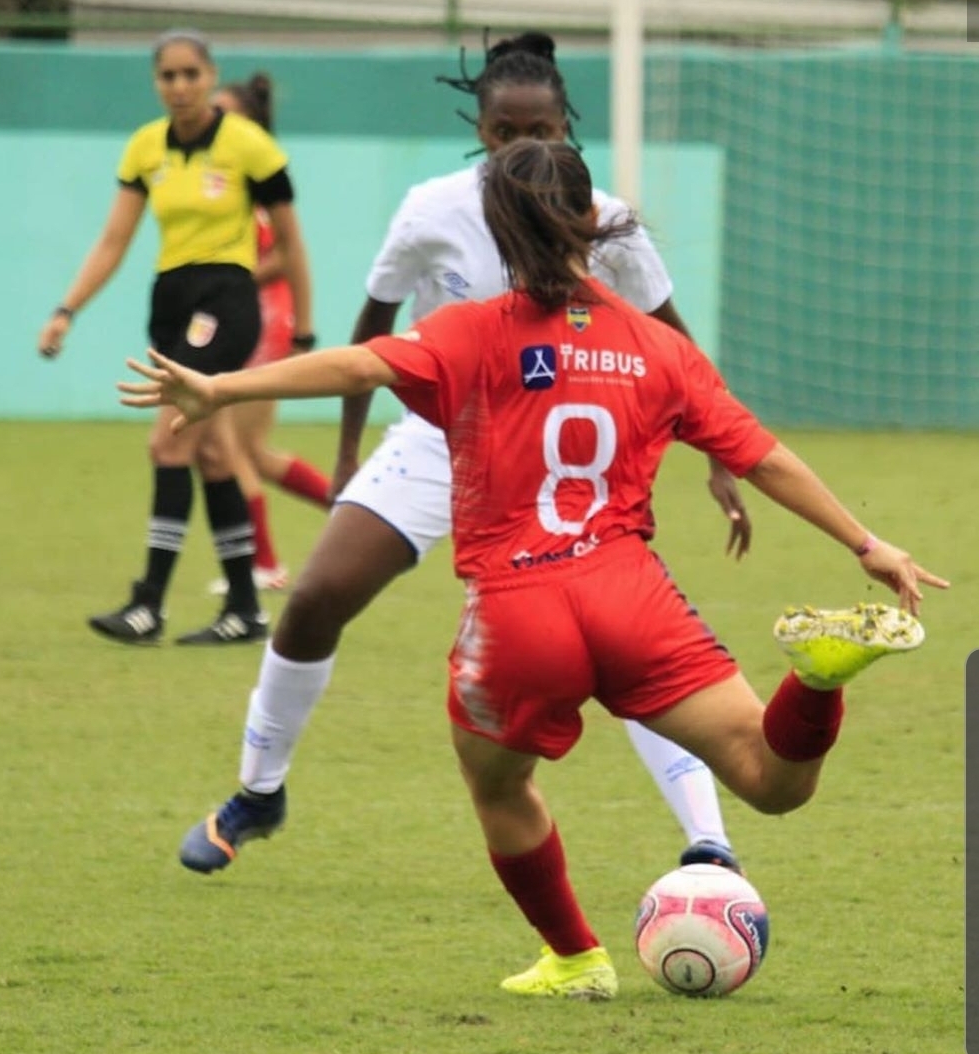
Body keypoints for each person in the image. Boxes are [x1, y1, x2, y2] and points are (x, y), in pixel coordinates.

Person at [118, 137, 948, 1000]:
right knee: (770, 784)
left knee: (499, 784)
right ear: (592, 225)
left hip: (517, 614)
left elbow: (360, 363)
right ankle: (815, 681)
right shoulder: (657, 349)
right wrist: (865, 544)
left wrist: (221, 391)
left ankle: (577, 957)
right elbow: (765, 457)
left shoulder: (466, 332)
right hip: (632, 596)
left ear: (502, 237)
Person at [174, 32, 752, 871]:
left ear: (566, 127)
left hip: (558, 459)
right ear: (482, 132)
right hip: (442, 443)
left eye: (543, 132)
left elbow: (676, 344)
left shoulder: (606, 217)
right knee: (314, 600)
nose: (526, 148)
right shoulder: (431, 209)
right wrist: (345, 455)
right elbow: (371, 333)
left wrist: (719, 454)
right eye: (508, 134)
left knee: (616, 642)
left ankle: (709, 840)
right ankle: (259, 790)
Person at [36, 29, 315, 645]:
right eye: (169, 76)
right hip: (171, 303)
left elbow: (293, 244)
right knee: (214, 455)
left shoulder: (251, 146)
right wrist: (67, 310)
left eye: (192, 74)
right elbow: (114, 242)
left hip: (226, 302)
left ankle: (148, 604)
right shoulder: (144, 148)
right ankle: (244, 608)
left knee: (167, 444)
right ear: (156, 82)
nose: (181, 86)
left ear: (212, 76)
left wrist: (306, 330)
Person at [206, 74, 332, 596]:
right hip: (254, 315)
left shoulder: (256, 182)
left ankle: (264, 564)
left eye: (225, 115)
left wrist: (229, 278)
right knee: (252, 451)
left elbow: (285, 253)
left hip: (259, 318)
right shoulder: (221, 181)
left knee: (227, 446)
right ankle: (358, 508)